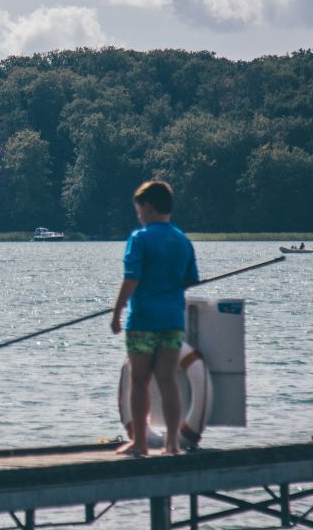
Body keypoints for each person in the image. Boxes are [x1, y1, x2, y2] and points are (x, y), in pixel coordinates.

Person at [110, 180, 198, 457]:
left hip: (144, 320)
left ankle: (140, 443)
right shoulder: (182, 240)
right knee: (167, 380)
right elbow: (189, 280)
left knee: (139, 381)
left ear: (147, 207)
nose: (138, 214)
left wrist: (116, 311)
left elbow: (131, 279)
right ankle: (172, 443)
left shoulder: (140, 239)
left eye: (138, 209)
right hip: (172, 319)